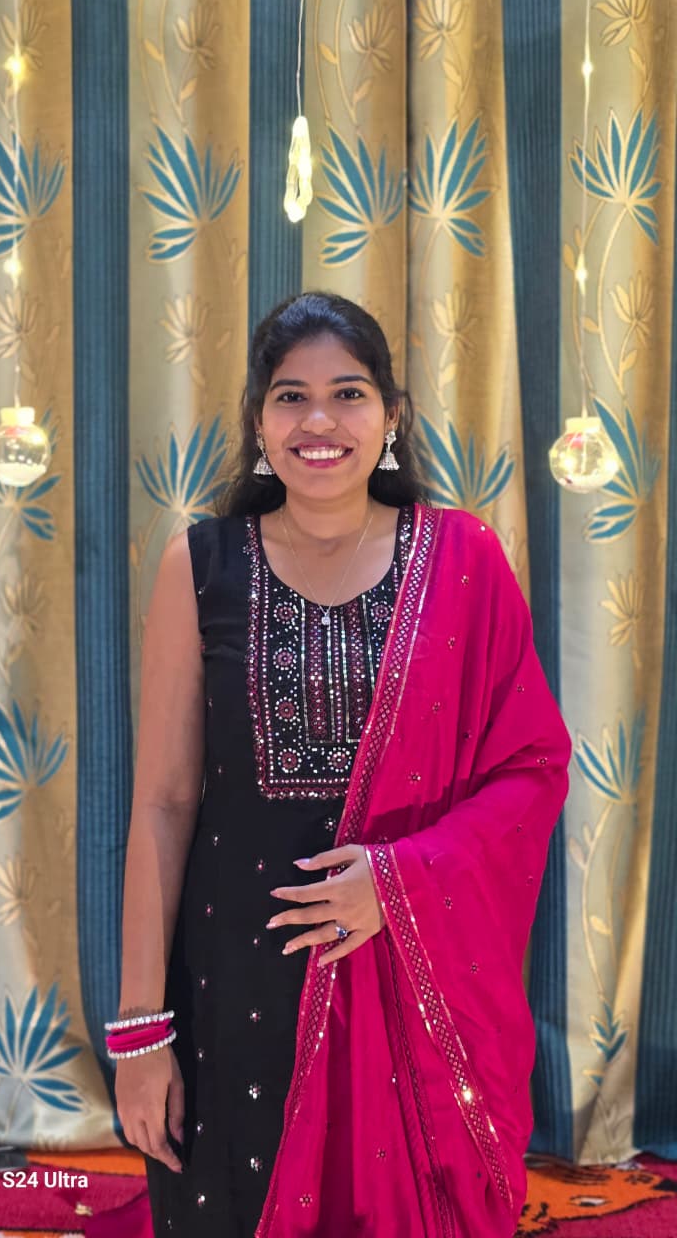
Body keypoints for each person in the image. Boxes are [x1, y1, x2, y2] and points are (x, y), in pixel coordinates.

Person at [113, 291, 571, 1237]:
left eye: (348, 394)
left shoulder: (464, 561)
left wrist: (398, 884)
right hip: (235, 990)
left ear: (391, 415)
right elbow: (162, 803)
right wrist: (141, 1031)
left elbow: (530, 769)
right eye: (291, 397)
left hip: (406, 975)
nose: (318, 422)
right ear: (257, 421)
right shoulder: (199, 565)